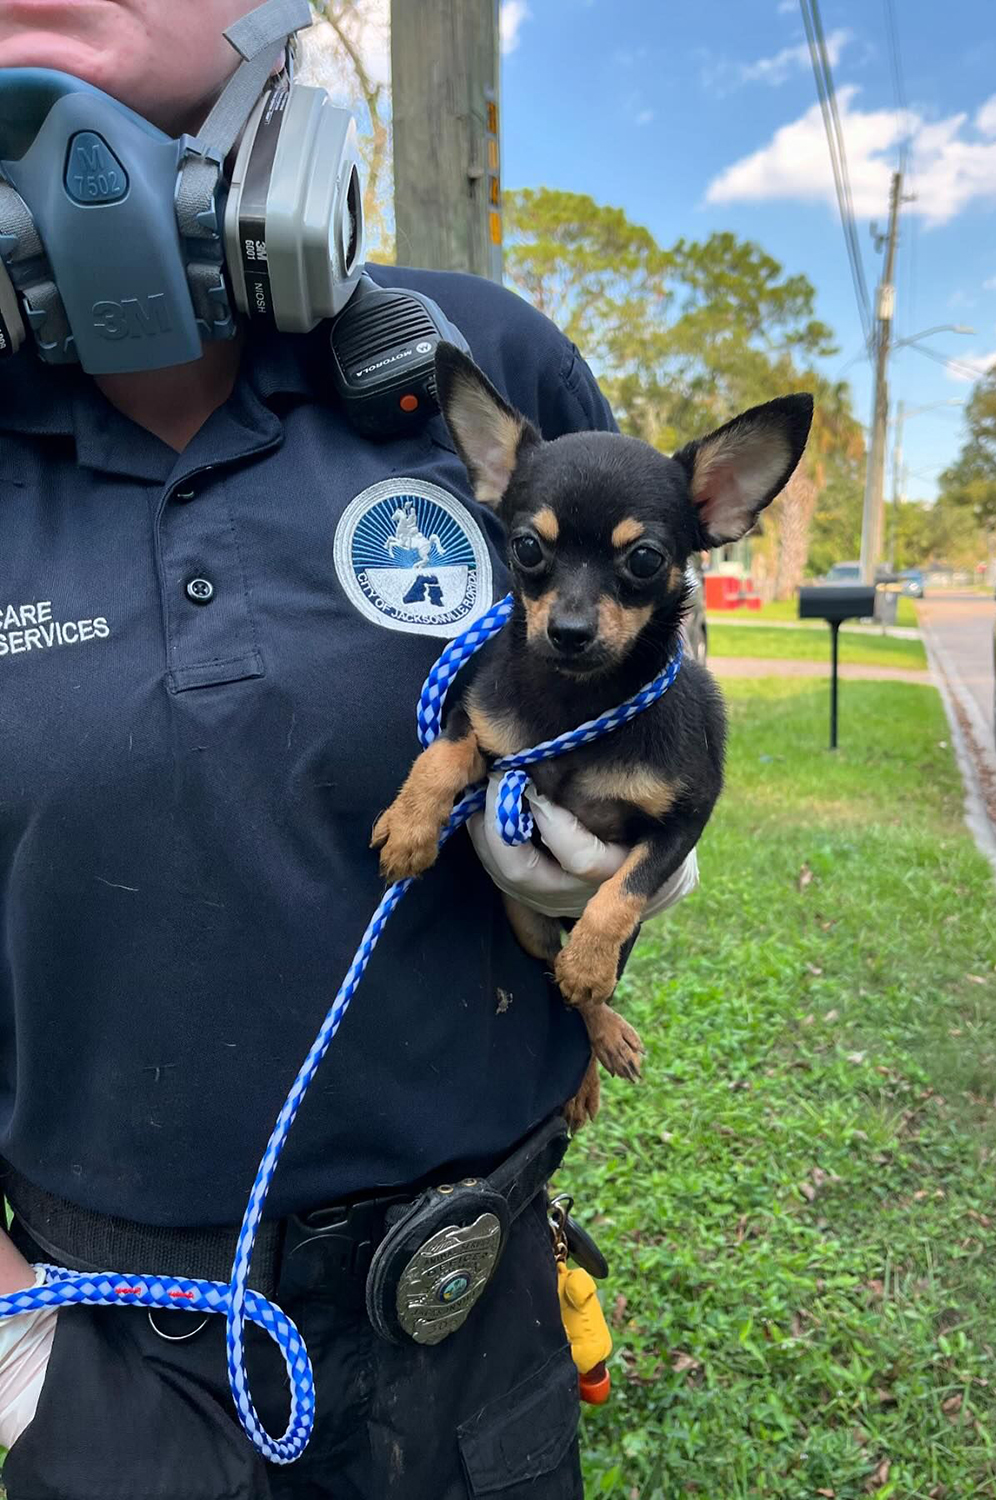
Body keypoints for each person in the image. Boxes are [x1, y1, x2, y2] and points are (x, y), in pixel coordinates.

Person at [0, 3, 696, 1495]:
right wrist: (14, 1351)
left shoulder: (487, 367)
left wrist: (611, 883)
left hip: (475, 1318)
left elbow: (645, 708)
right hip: (104, 1354)